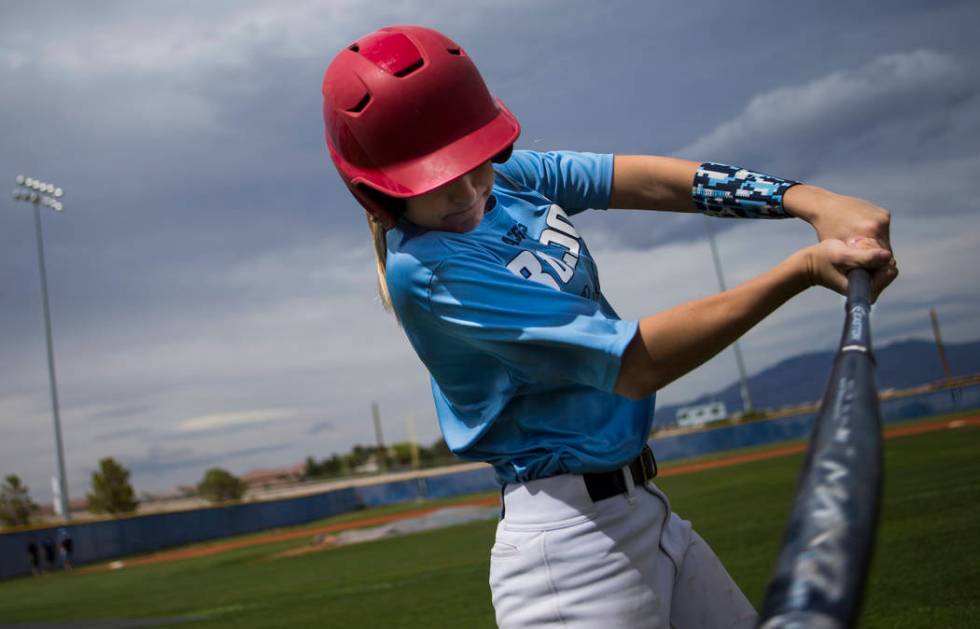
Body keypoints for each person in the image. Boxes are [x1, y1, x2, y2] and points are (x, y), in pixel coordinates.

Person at [321, 26, 896, 628]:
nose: (469, 190)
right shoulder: (432, 271)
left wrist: (805, 199)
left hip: (643, 510)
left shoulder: (505, 183)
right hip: (572, 558)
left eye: (475, 163)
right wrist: (801, 270)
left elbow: (640, 179)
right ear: (377, 193)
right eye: (438, 180)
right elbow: (634, 363)